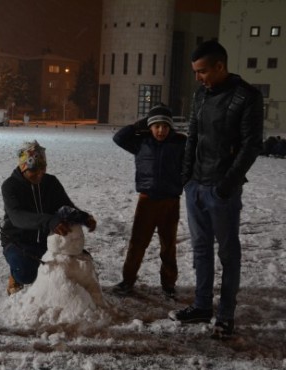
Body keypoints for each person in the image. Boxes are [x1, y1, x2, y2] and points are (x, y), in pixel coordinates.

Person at [168, 40, 263, 340]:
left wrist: (225, 187)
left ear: (220, 66)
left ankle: (225, 315)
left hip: (222, 190)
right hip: (196, 186)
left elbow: (251, 146)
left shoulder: (246, 96)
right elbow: (192, 137)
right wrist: (187, 179)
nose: (198, 78)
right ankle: (201, 306)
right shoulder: (200, 96)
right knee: (200, 249)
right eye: (195, 72)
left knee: (228, 253)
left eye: (203, 71)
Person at [1, 140, 97, 295]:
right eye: (34, 170)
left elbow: (65, 207)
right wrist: (49, 221)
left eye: (42, 169)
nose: (40, 174)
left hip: (48, 241)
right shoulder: (10, 186)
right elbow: (17, 217)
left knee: (80, 263)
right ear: (23, 167)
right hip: (18, 241)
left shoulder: (50, 182)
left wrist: (84, 218)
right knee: (26, 273)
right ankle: (15, 276)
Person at [112, 104, 187, 299]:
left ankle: (168, 283)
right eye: (156, 126)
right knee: (137, 243)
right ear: (150, 127)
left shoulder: (180, 143)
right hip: (146, 201)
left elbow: (191, 164)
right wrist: (142, 123)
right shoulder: (141, 142)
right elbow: (118, 137)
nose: (160, 130)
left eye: (164, 126)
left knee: (168, 244)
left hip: (170, 202)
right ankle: (127, 280)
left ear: (170, 127)